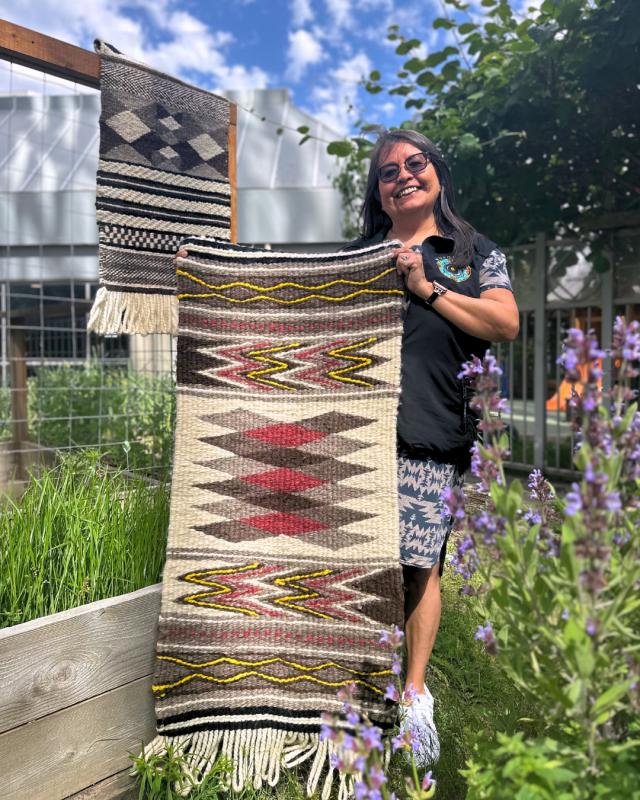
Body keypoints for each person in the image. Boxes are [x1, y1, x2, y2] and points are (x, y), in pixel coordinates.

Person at [341, 129, 519, 765]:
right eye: (389, 172)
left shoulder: (471, 252)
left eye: (415, 164)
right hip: (355, 432)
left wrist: (429, 290)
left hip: (432, 429)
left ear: (437, 172)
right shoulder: (356, 256)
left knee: (419, 566)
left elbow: (503, 322)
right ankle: (350, 680)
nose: (404, 176)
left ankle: (413, 696)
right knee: (355, 559)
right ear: (380, 194)